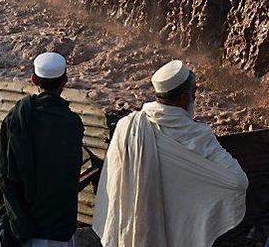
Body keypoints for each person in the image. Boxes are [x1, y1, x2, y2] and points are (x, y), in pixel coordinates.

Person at [92, 60, 248, 247]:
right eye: (193, 93)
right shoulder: (195, 135)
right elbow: (238, 181)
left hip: (131, 229)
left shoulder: (127, 126)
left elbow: (114, 178)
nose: (194, 97)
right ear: (183, 98)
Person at [0, 53, 84, 247]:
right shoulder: (73, 124)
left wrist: (16, 223)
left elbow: (4, 176)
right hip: (60, 227)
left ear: (34, 80)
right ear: (65, 81)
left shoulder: (16, 119)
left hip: (25, 228)